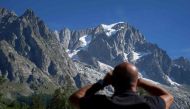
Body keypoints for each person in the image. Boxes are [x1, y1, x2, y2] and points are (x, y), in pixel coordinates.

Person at [69, 62, 174, 109]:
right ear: (136, 83)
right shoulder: (151, 104)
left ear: (113, 82)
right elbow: (169, 97)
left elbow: (75, 98)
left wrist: (103, 82)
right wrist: (141, 82)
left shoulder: (101, 103)